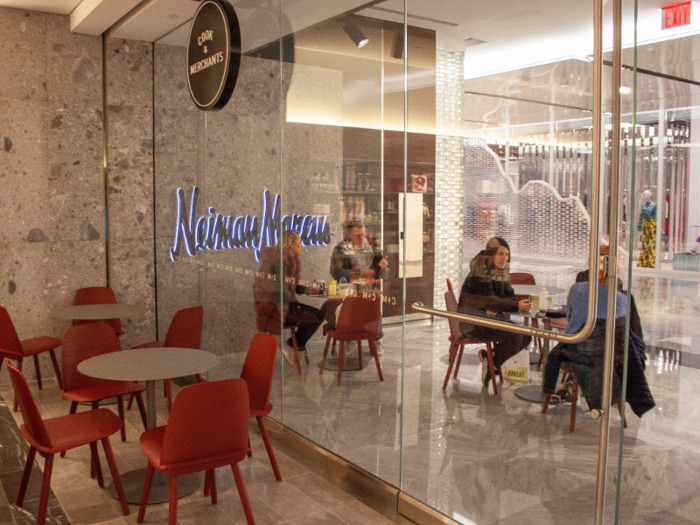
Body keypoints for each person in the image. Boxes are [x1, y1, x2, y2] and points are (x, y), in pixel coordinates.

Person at [542, 274, 655, 417]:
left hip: (578, 351)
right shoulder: (623, 299)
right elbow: (630, 330)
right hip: (612, 355)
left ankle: (569, 385)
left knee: (574, 345)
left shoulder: (577, 290)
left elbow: (570, 319)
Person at [458, 238, 532, 387]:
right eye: (500, 254)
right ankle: (493, 365)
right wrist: (513, 306)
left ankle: (491, 360)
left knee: (526, 336)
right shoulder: (480, 271)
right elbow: (490, 300)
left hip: (489, 318)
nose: (504, 258)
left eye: (506, 254)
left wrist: (498, 305)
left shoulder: (499, 270)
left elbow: (508, 296)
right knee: (516, 335)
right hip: (473, 323)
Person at [253, 230, 323, 367]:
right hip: (277, 309)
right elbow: (277, 291)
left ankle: (293, 345)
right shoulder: (280, 262)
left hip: (286, 303)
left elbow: (289, 287)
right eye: (299, 242)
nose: (302, 245)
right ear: (291, 244)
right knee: (314, 318)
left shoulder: (290, 261)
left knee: (319, 314)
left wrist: (306, 290)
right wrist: (295, 307)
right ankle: (291, 345)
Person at [329, 221, 389, 354]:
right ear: (349, 235)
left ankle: (377, 339)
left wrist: (383, 267)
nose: (361, 238)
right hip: (349, 287)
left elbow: (383, 273)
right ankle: (350, 339)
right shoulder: (341, 249)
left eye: (363, 235)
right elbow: (335, 272)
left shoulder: (374, 249)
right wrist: (359, 272)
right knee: (349, 310)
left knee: (375, 308)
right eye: (357, 236)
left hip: (371, 287)